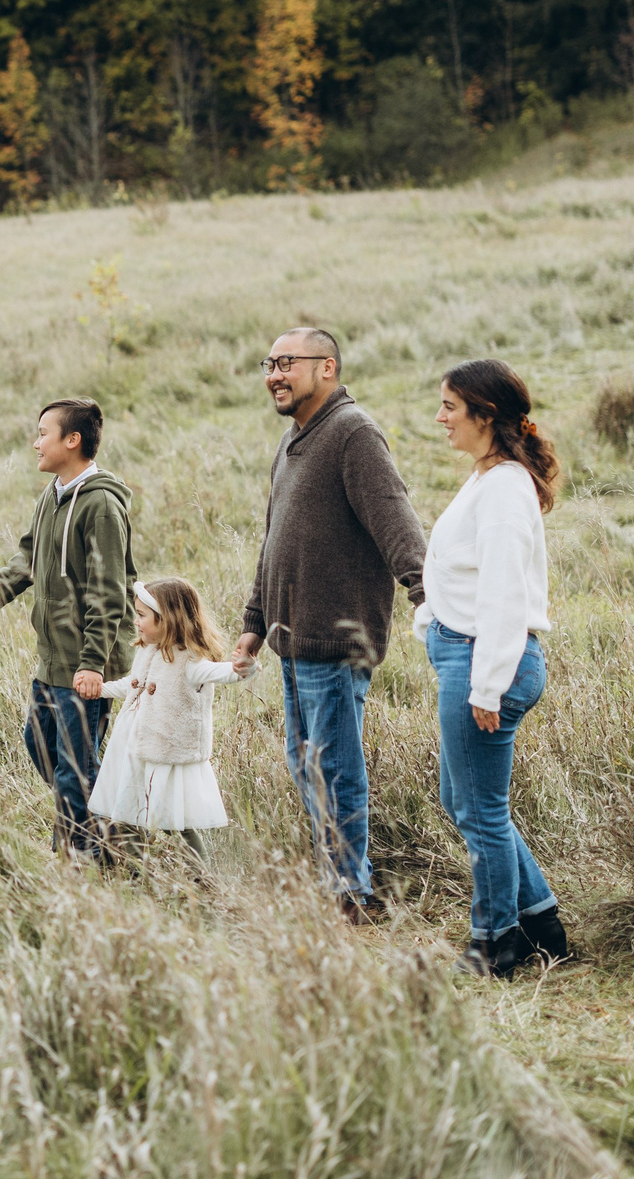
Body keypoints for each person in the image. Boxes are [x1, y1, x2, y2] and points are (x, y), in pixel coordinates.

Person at [232, 326, 429, 923]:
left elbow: (394, 518)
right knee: (307, 767)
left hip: (337, 640)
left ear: (327, 368)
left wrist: (426, 594)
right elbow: (274, 541)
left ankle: (353, 894)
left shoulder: (353, 433)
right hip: (291, 640)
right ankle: (337, 882)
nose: (274, 375)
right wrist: (255, 619)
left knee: (335, 769)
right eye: (269, 364)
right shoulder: (294, 440)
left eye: (287, 363)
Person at [421, 357, 568, 977]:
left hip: (487, 660)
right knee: (465, 800)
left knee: (479, 809)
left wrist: (487, 682)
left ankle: (496, 942)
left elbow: (506, 589)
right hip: (468, 652)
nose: (440, 417)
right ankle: (542, 922)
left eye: (450, 406)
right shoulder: (487, 477)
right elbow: (463, 568)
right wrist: (431, 616)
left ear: (484, 414)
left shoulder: (505, 487)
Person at [0, 398, 137, 861]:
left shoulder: (101, 505)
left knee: (73, 769)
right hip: (53, 657)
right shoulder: (53, 494)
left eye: (44, 433)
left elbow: (109, 592)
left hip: (86, 664)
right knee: (39, 744)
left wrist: (93, 664)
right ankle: (110, 829)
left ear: (72, 440)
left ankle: (80, 858)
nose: (35, 442)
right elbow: (28, 557)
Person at [87, 577, 247, 859]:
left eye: (141, 615)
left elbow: (222, 672)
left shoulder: (190, 661)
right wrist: (101, 689)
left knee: (175, 821)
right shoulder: (148, 650)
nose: (135, 621)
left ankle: (201, 875)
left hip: (165, 751)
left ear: (167, 619)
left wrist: (244, 667)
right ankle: (137, 870)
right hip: (133, 744)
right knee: (128, 809)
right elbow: (132, 685)